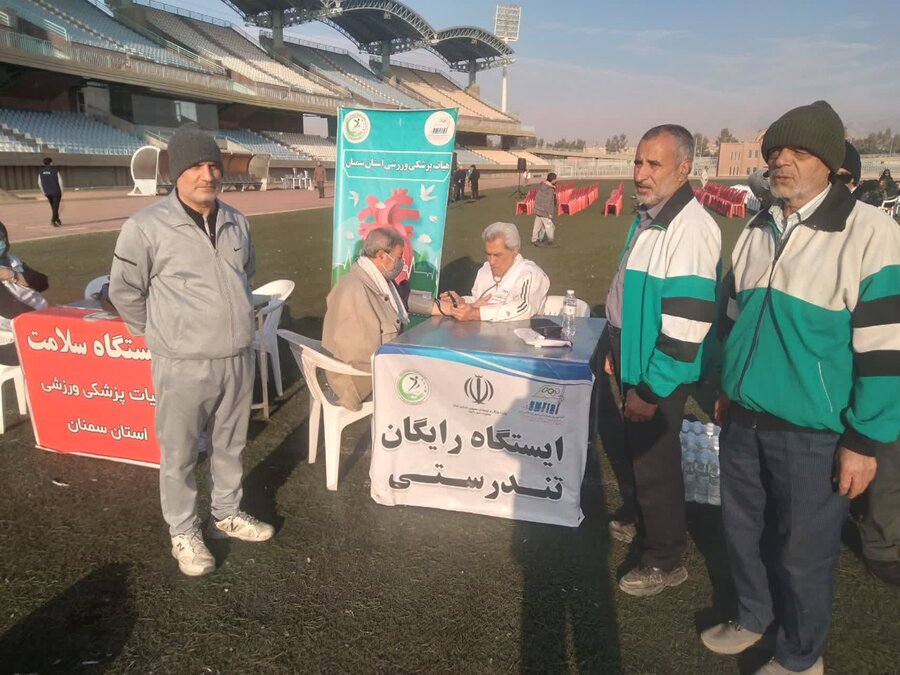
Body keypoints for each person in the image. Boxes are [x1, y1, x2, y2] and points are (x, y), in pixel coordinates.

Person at [704, 101, 900, 674]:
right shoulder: (757, 226)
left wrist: (863, 441)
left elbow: (886, 348)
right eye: (775, 151)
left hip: (816, 431)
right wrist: (727, 387)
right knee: (743, 534)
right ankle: (753, 616)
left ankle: (799, 658)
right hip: (743, 418)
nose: (781, 161)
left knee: (803, 555)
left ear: (830, 161)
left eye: (798, 151)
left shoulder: (872, 231)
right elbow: (736, 317)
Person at [109, 124, 273, 578]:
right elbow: (125, 292)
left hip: (236, 356)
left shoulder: (237, 221)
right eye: (196, 166)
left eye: (213, 165)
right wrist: (160, 336)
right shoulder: (145, 227)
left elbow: (246, 275)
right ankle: (183, 530)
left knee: (230, 446)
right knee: (179, 454)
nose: (207, 174)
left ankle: (226, 513)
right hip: (181, 363)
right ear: (176, 172)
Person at [603, 124, 721, 597]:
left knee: (656, 462)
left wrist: (650, 390)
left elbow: (687, 326)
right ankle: (642, 518)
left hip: (660, 370)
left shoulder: (690, 228)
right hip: (634, 355)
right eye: (638, 162)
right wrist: (615, 347)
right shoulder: (651, 215)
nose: (641, 173)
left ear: (684, 169)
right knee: (639, 452)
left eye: (655, 164)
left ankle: (665, 558)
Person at [839, 143, 900, 589]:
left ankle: (882, 538)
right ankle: (875, 537)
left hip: (878, 354)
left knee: (886, 450)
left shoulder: (876, 227)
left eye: (841, 179)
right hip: (832, 365)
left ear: (854, 182)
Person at [322, 227, 408, 411]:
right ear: (381, 255)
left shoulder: (369, 280)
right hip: (356, 384)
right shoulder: (357, 290)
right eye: (399, 257)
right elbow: (360, 354)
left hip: (356, 374)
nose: (401, 263)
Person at [434, 221, 549, 322]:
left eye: (497, 255)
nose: (491, 261)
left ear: (515, 250)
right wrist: (461, 302)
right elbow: (478, 300)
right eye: (488, 254)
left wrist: (475, 314)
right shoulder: (485, 269)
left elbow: (524, 308)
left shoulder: (530, 274)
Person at [0, 221, 49, 365]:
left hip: (36, 327)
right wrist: (45, 320)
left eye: (2, 237)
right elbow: (8, 308)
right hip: (11, 339)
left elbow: (42, 282)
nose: (2, 242)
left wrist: (13, 275)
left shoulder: (13, 261)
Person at [531, 172, 557, 246]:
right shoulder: (550, 190)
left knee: (537, 227)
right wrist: (549, 213)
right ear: (552, 180)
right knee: (550, 227)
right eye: (555, 179)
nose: (556, 181)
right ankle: (550, 241)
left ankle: (534, 240)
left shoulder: (542, 186)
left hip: (538, 209)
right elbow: (548, 202)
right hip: (545, 212)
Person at [38, 158, 63, 227]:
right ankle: (53, 220)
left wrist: (43, 192)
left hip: (47, 192)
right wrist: (62, 191)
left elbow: (39, 183)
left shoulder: (41, 171)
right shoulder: (55, 170)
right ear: (51, 163)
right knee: (55, 207)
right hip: (56, 191)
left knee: (53, 207)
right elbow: (60, 181)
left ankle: (57, 219)